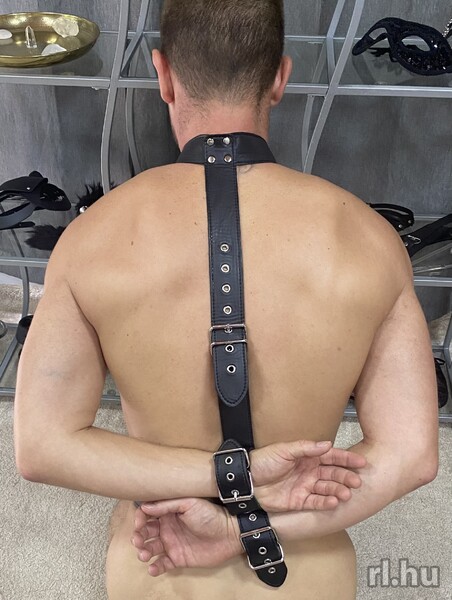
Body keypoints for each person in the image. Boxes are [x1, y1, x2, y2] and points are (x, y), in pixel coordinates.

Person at [14, 1, 438, 599]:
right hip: (305, 573)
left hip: (156, 563)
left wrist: (218, 475)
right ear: (280, 79)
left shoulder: (91, 239)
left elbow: (42, 445)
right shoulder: (371, 240)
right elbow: (412, 456)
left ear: (163, 76)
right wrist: (253, 520)